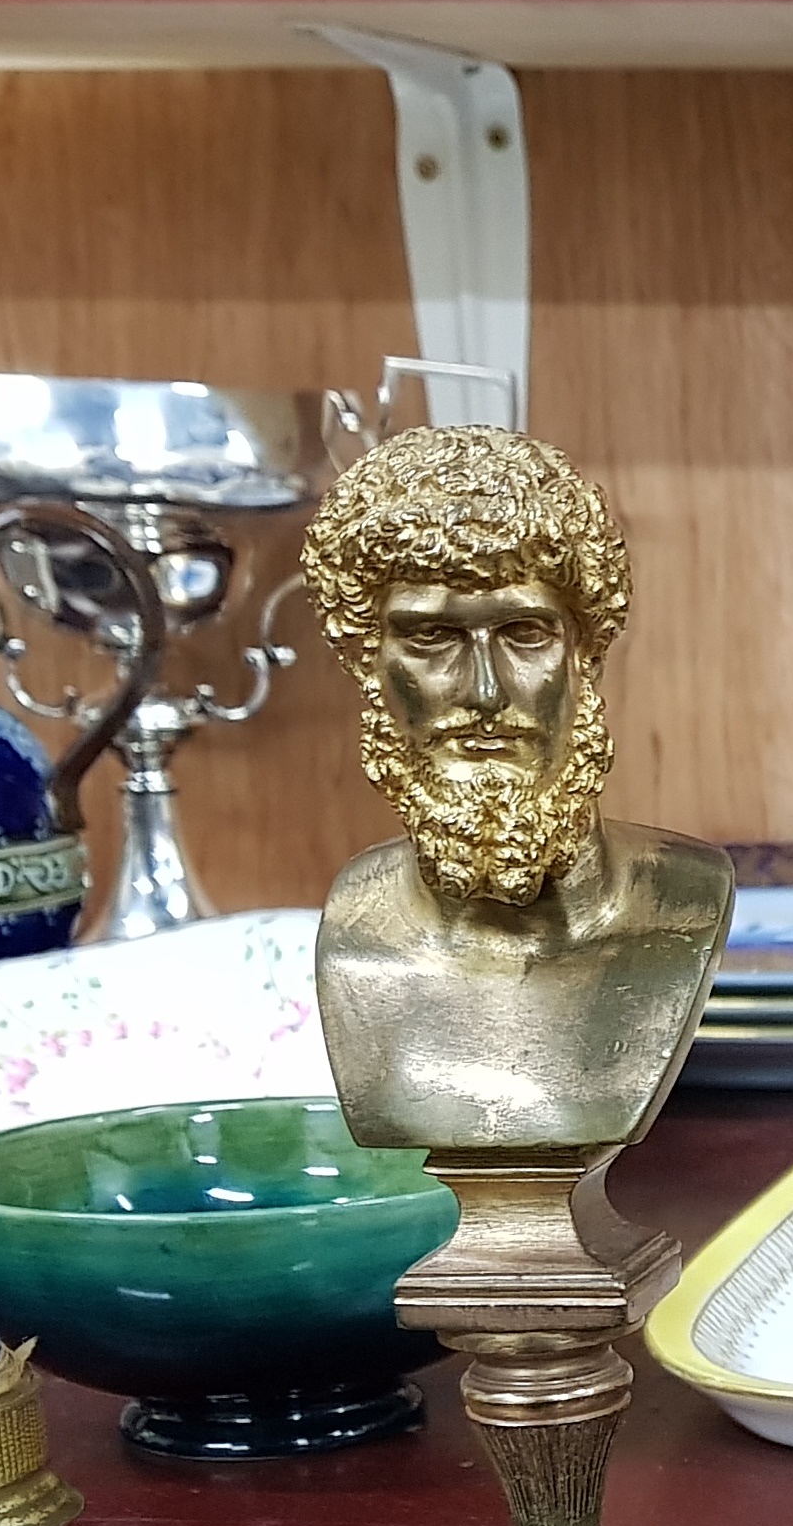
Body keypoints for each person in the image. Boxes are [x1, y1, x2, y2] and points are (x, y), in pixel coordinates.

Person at [304, 427, 731, 1160]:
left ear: (585, 655)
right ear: (366, 661)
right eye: (432, 637)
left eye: (525, 633)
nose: (485, 692)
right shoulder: (356, 942)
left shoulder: (685, 905)